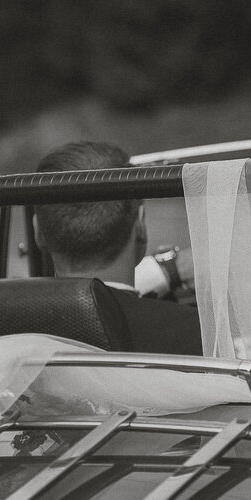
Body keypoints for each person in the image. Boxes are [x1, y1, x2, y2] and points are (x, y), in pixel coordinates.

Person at [33, 141, 203, 355]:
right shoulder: (199, 336)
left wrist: (165, 270)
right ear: (140, 226)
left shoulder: (11, 330)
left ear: (38, 232)